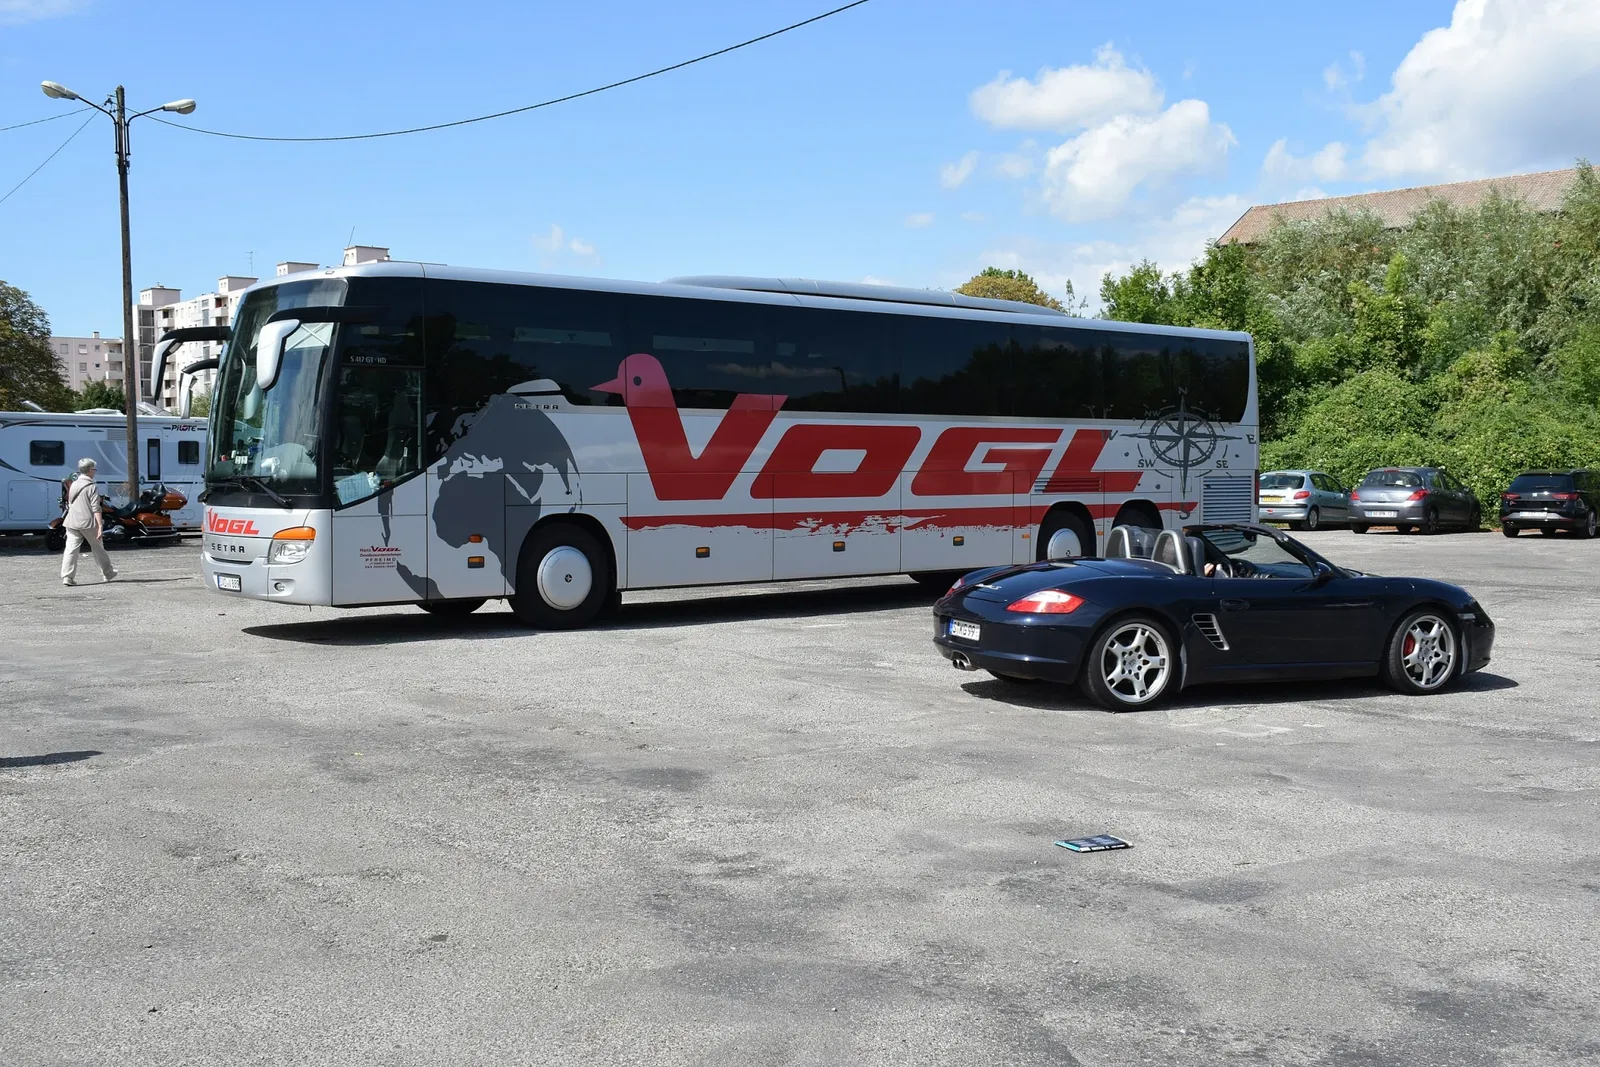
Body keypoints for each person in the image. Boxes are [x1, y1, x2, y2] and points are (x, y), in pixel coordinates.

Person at [60, 458, 117, 587]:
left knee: (71, 549)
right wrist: (100, 525)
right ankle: (108, 573)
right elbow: (96, 508)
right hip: (88, 522)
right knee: (98, 548)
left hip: (71, 521)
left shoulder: (73, 484)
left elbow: (70, 502)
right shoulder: (91, 486)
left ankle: (67, 577)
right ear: (90, 470)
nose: (95, 472)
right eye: (94, 469)